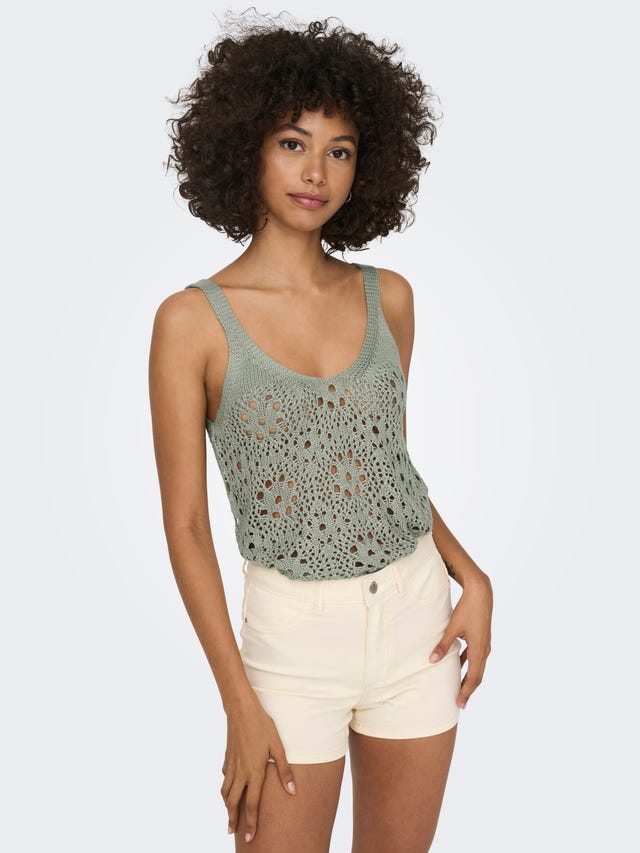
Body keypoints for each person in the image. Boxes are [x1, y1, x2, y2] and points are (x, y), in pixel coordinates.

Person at [149, 12, 493, 852]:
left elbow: (383, 468)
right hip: (290, 645)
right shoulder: (191, 322)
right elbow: (186, 527)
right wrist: (239, 702)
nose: (316, 171)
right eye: (293, 143)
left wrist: (472, 576)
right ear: (247, 148)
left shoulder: (389, 299)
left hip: (416, 624)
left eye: (340, 150)